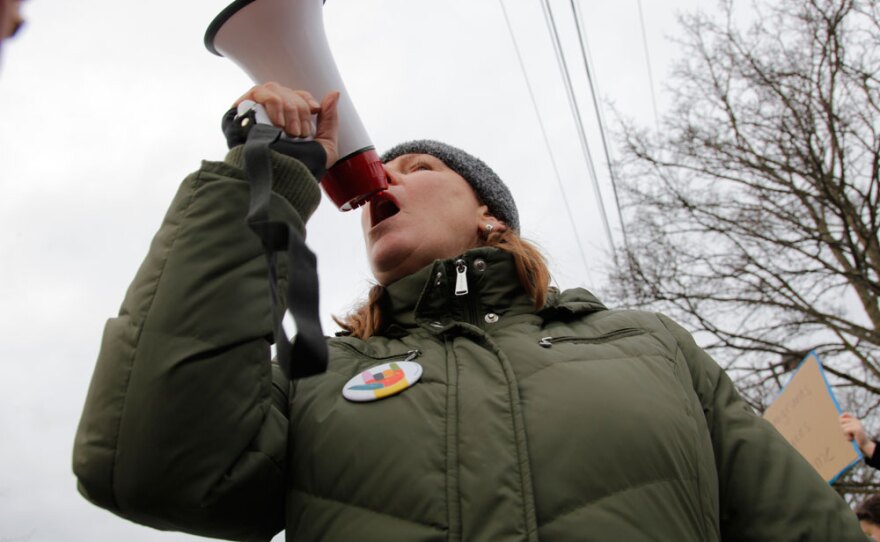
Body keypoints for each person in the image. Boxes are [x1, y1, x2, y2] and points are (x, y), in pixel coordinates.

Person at [72, 82, 866, 541]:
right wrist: (262, 182)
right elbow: (156, 472)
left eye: (413, 169)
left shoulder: (651, 346)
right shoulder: (318, 374)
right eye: (374, 179)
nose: (381, 185)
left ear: (491, 216)